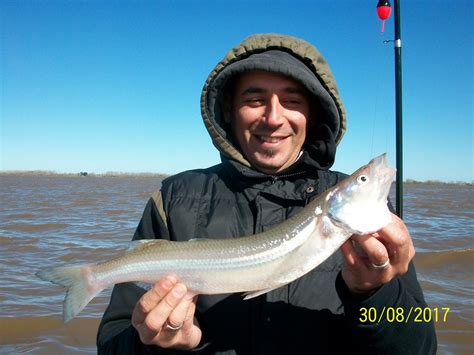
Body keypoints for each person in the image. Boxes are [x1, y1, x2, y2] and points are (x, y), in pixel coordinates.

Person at [97, 33, 436, 354]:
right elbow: (111, 343)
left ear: (312, 113)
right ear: (229, 110)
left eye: (291, 101)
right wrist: (156, 345)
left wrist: (376, 293)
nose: (273, 118)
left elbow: (421, 346)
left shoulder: (374, 225)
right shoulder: (172, 200)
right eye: (255, 99)